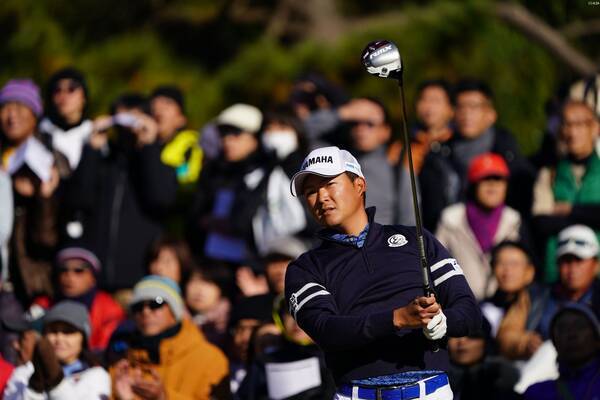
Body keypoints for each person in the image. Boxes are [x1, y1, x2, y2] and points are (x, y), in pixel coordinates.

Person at [285, 146, 481, 399]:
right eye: (311, 191)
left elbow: (469, 313)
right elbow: (326, 330)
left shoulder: (416, 239)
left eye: (330, 184)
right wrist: (396, 319)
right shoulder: (304, 268)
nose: (321, 197)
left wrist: (442, 322)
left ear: (359, 185)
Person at [62, 94, 178, 291]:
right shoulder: (102, 164)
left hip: (139, 279)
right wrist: (91, 149)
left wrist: (149, 146)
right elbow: (78, 200)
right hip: (94, 281)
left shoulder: (160, 165)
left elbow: (161, 199)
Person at [111, 275, 230, 399]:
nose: (146, 312)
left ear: (174, 310)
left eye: (156, 303)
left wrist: (164, 397)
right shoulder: (121, 359)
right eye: (138, 306)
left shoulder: (210, 360)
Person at [436, 153, 530, 300]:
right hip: (458, 303)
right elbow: (436, 265)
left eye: (498, 179)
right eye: (485, 179)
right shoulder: (451, 219)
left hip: (504, 304)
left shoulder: (514, 220)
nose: (492, 185)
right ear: (473, 185)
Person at [532, 100, 600, 282]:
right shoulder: (549, 174)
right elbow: (541, 223)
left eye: (579, 124)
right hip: (557, 277)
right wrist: (591, 215)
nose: (572, 132)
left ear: (595, 128)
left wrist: (569, 210)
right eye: (567, 124)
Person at [449, 79, 535, 220]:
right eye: (461, 107)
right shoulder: (441, 153)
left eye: (474, 107)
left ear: (491, 115)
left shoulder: (508, 155)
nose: (466, 113)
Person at [3, 300, 111, 399]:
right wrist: (35, 386)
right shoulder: (24, 372)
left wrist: (55, 379)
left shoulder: (97, 376)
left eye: (68, 332)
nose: (59, 338)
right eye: (53, 331)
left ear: (83, 339)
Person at [236, 295, 336, 400]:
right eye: (290, 312)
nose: (296, 319)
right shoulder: (264, 363)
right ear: (280, 318)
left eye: (305, 312)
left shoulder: (338, 358)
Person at [30, 247, 125, 352]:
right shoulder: (42, 305)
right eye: (63, 270)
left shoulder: (110, 310)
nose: (69, 276)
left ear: (93, 278)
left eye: (79, 271)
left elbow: (102, 349)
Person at [480, 241, 549, 360]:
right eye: (501, 263)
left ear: (530, 271)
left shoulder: (542, 301)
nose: (507, 270)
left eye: (514, 264)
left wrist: (525, 343)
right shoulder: (483, 308)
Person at [410, 80, 460, 231]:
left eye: (436, 101)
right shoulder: (404, 147)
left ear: (451, 109)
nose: (428, 106)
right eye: (424, 99)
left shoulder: (460, 145)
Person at [524, 303, 600, 399]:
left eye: (580, 326)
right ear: (554, 343)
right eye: (562, 329)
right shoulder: (537, 393)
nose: (571, 334)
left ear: (596, 338)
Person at [537, 224, 600, 340]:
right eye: (566, 261)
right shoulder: (537, 296)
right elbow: (511, 332)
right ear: (557, 265)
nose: (572, 269)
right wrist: (523, 341)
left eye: (579, 260)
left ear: (596, 265)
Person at [447, 321, 520, 400]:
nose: (461, 341)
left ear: (486, 342)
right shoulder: (438, 385)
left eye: (473, 335)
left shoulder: (505, 389)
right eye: (454, 335)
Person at [150, 85, 203, 190]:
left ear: (181, 119)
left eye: (167, 104)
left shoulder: (191, 146)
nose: (158, 109)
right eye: (154, 104)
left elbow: (188, 181)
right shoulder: (140, 145)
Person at [39, 67, 93, 170]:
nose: (63, 96)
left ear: (84, 97)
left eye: (71, 89)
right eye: (57, 90)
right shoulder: (40, 133)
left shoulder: (93, 133)